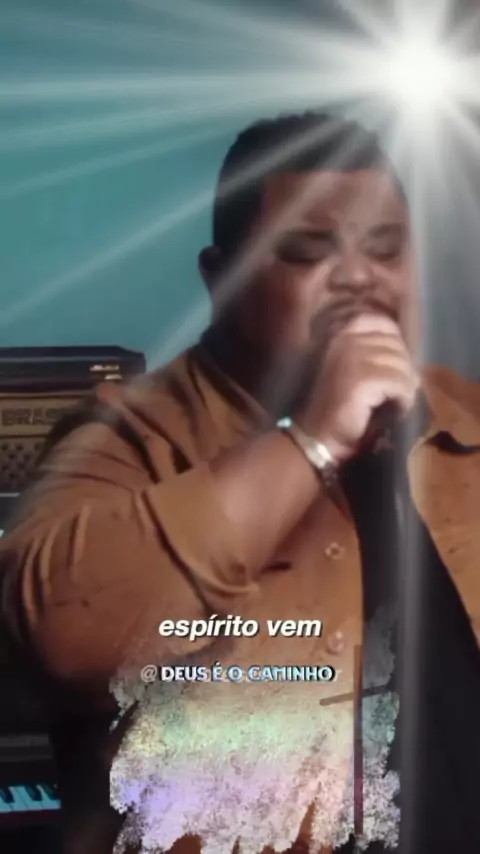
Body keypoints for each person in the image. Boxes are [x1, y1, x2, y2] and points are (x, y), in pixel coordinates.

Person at [1, 111, 480, 854]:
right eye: (307, 251)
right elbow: (60, 635)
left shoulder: (465, 416)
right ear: (221, 278)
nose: (359, 278)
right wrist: (313, 439)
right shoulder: (130, 434)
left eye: (386, 249)